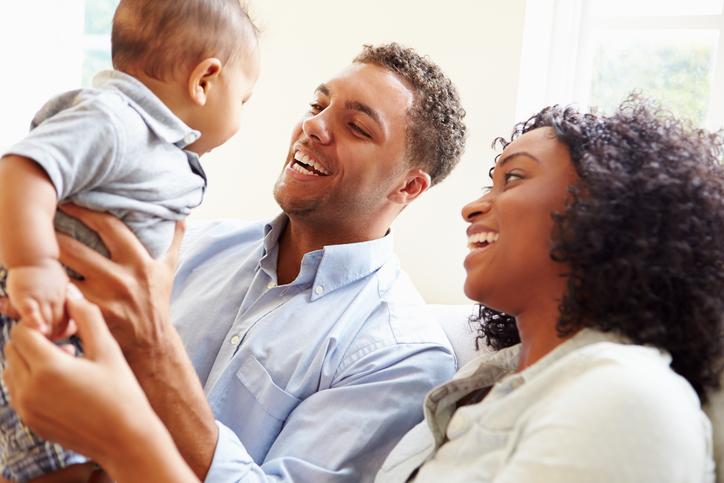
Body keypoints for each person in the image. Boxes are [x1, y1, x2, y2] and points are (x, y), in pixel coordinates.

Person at [5, 95, 722, 483]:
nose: (474, 206)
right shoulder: (472, 399)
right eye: (319, 102)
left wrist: (127, 428)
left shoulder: (624, 395)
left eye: (513, 178)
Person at [3, 42, 467, 482]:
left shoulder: (401, 357)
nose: (315, 126)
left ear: (408, 188)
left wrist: (153, 345)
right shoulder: (187, 243)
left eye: (357, 127)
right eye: (317, 105)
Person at [0, 0, 260, 480]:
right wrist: (32, 266)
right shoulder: (114, 118)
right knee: (52, 459)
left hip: (78, 321)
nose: (241, 114)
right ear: (205, 80)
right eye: (243, 99)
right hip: (38, 307)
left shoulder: (156, 143)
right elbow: (23, 169)